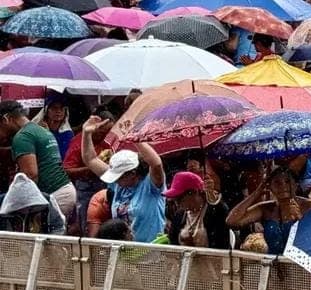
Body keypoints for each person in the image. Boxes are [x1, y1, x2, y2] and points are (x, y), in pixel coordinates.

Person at [81, 115, 165, 243]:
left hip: (151, 252)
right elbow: (91, 160)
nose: (115, 180)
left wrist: (136, 139)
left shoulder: (150, 186)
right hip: (126, 252)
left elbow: (156, 163)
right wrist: (86, 133)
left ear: (131, 173)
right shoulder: (118, 184)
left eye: (118, 176)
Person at [0, 100, 76, 221]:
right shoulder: (38, 130)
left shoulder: (22, 137)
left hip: (54, 194)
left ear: (6, 119)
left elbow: (30, 175)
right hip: (64, 189)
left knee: (40, 237)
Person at [226, 167, 311, 255]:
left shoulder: (309, 206)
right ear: (269, 186)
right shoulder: (266, 208)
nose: (283, 186)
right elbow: (232, 221)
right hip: (272, 263)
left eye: (287, 182)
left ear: (296, 185)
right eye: (277, 183)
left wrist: (300, 219)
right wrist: (257, 192)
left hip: (300, 264)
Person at [164, 171, 231, 250]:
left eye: (179, 199)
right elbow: (173, 244)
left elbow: (221, 210)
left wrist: (211, 193)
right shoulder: (179, 215)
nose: (176, 203)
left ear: (195, 192)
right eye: (174, 200)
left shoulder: (215, 211)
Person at [0, 173, 66, 235]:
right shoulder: (1, 203)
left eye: (28, 206)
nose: (24, 209)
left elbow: (59, 227)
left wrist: (49, 243)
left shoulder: (47, 201)